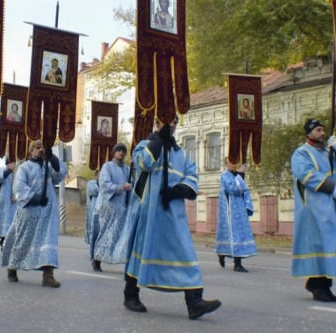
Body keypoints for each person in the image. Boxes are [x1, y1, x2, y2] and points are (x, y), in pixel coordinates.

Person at [125, 118, 221, 320]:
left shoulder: (182, 154)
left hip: (173, 214)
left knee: (185, 253)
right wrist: (158, 139)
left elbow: (192, 177)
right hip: (149, 214)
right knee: (142, 251)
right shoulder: (144, 146)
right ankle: (130, 294)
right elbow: (144, 162)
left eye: (174, 121)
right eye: (166, 121)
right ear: (157, 122)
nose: (171, 125)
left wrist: (177, 191)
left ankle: (194, 302)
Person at [290, 118, 336, 303]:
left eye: (323, 130)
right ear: (309, 133)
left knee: (330, 245)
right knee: (320, 245)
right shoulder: (301, 153)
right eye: (318, 130)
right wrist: (330, 186)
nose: (322, 133)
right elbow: (306, 175)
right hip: (313, 209)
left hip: (331, 206)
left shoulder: (328, 152)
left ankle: (325, 285)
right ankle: (317, 285)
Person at [1, 140, 67, 287]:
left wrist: (52, 157)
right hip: (29, 210)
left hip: (47, 211)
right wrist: (36, 198)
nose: (40, 150)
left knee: (48, 240)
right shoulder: (24, 167)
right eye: (37, 148)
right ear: (31, 151)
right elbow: (19, 187)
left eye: (42, 148)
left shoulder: (47, 166)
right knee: (24, 239)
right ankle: (12, 266)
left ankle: (48, 275)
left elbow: (60, 173)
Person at [92, 144, 132, 272]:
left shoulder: (127, 169)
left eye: (123, 151)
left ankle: (122, 261)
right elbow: (105, 185)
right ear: (114, 153)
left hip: (122, 206)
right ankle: (96, 259)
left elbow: (132, 185)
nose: (121, 153)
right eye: (119, 151)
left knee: (122, 235)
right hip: (109, 206)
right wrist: (121, 187)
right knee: (105, 233)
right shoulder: (107, 166)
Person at [215, 158, 256, 272]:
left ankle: (233, 260)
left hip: (239, 211)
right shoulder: (225, 175)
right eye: (231, 162)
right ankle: (234, 262)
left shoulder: (236, 175)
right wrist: (241, 174)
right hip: (229, 212)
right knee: (233, 236)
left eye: (234, 162)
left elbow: (245, 190)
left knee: (240, 236)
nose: (233, 164)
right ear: (226, 164)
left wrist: (248, 204)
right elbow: (232, 188)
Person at [0, 159, 17, 247]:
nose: (14, 165)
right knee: (5, 221)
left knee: (12, 223)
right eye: (12, 163)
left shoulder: (16, 173)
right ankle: (3, 240)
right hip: (4, 202)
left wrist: (16, 196)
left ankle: (8, 241)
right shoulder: (1, 170)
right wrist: (9, 170)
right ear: (7, 164)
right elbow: (1, 178)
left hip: (13, 203)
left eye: (14, 163)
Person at [84, 173, 100, 269]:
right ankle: (95, 260)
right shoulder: (91, 183)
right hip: (94, 215)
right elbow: (96, 191)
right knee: (95, 236)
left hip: (105, 214)